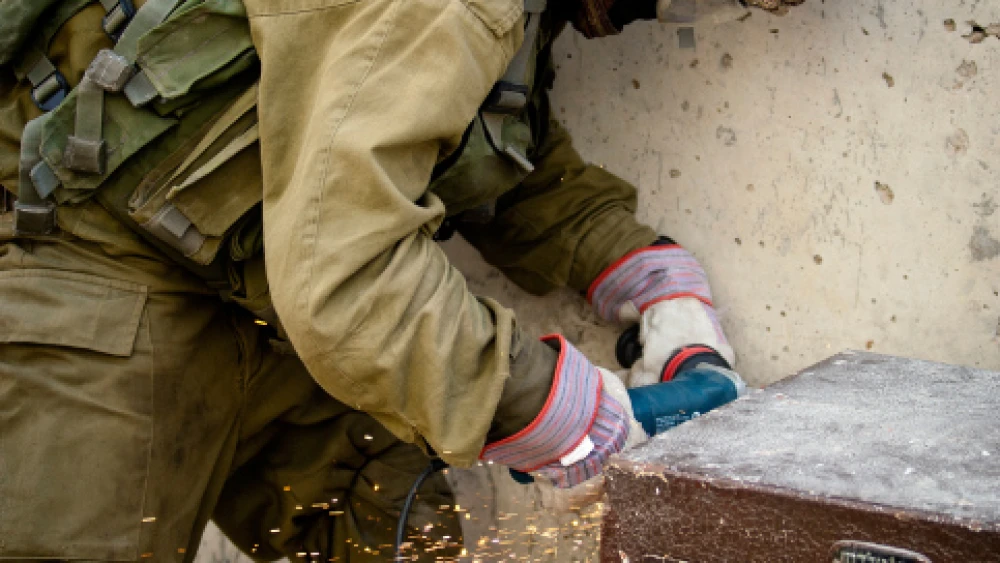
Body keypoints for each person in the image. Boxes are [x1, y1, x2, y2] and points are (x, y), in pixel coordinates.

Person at [0, 0, 802, 560]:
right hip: (96, 263)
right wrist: (556, 409)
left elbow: (471, 145)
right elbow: (348, 278)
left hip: (260, 283)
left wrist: (641, 269)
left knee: (394, 528)